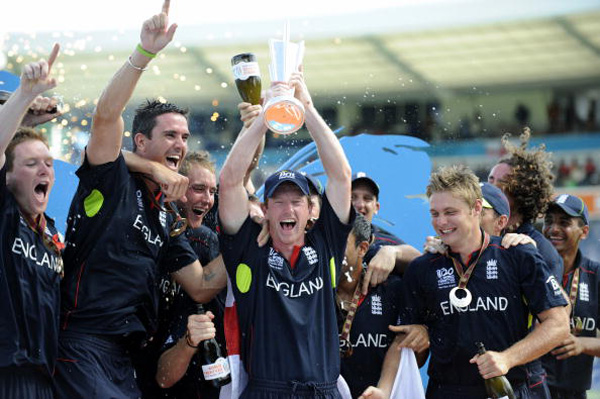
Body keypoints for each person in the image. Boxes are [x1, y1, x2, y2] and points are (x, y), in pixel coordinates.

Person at [54, 3, 225, 398]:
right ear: (141, 142)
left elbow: (201, 286)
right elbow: (105, 115)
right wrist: (143, 54)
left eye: (184, 137)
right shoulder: (111, 178)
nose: (180, 145)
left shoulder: (166, 214)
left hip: (126, 359)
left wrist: (247, 238)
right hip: (83, 343)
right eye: (170, 135)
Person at [218, 68, 354, 399]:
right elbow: (230, 181)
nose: (288, 210)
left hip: (323, 391)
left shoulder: (326, 242)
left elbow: (341, 176)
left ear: (312, 211)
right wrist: (266, 117)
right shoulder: (249, 245)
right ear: (264, 210)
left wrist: (305, 107)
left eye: (296, 201)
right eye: (278, 202)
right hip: (268, 391)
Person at [401, 165, 569, 399]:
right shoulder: (422, 269)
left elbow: (559, 324)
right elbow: (413, 354)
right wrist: (420, 335)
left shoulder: (517, 255)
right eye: (434, 213)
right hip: (446, 392)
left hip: (508, 390)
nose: (441, 222)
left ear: (476, 208)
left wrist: (507, 358)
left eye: (450, 212)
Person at [0, 45, 62, 399]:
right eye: (30, 164)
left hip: (43, 379)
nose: (44, 171)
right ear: (6, 178)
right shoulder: (5, 212)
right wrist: (24, 94)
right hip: (7, 374)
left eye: (49, 164)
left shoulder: (51, 232)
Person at [488, 128, 568, 398]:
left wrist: (507, 358)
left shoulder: (538, 251)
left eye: (503, 182)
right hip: (483, 373)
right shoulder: (479, 241)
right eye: (489, 179)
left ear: (522, 192)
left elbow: (554, 324)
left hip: (523, 380)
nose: (491, 187)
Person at [337, 214, 426, 398]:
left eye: (339, 241)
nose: (330, 249)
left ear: (362, 248)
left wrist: (422, 334)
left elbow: (415, 356)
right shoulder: (313, 291)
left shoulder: (391, 290)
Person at [542, 194, 600, 399]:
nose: (553, 228)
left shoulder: (596, 276)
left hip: (574, 393)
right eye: (549, 221)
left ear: (584, 232)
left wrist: (582, 344)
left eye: (564, 222)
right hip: (532, 391)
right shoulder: (527, 270)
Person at [350, 172, 421, 293]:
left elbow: (422, 262)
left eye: (367, 199)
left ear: (376, 207)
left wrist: (393, 252)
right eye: (352, 197)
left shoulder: (386, 242)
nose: (360, 204)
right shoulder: (326, 238)